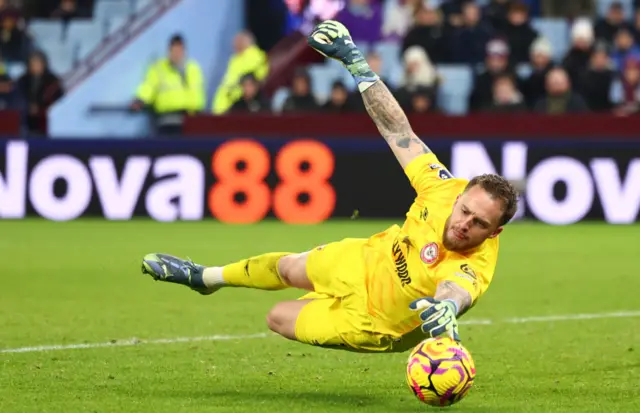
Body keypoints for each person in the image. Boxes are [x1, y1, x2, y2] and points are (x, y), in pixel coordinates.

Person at [141, 20, 519, 354]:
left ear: (495, 231)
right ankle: (205, 277)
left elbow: (457, 291)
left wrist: (447, 308)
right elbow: (399, 132)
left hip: (374, 320)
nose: (465, 223)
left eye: (479, 224)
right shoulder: (443, 189)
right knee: (288, 267)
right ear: (460, 195)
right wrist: (357, 64)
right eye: (465, 210)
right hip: (368, 260)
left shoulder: (477, 265)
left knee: (277, 317)